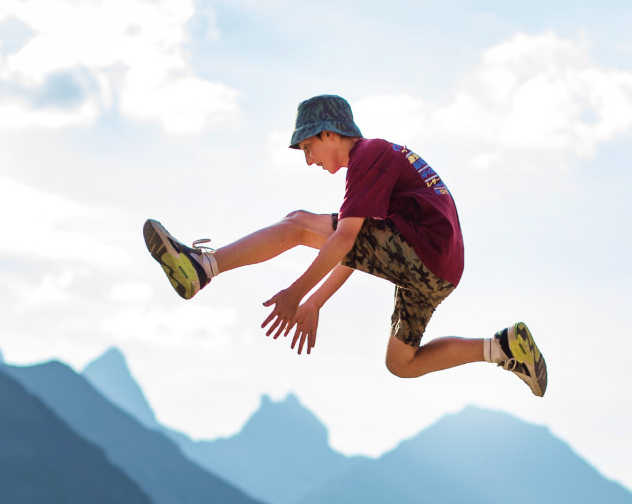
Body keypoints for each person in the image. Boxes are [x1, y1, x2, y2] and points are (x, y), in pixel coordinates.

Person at [142, 94, 548, 397]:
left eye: (307, 148)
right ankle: (502, 348)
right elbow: (359, 252)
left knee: (298, 223)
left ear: (329, 134)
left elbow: (347, 240)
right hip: (439, 269)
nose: (308, 161)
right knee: (401, 363)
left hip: (423, 251)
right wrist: (316, 302)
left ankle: (203, 268)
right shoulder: (380, 162)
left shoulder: (368, 155)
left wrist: (296, 293)